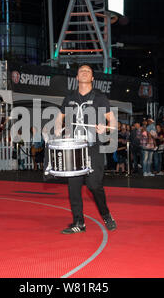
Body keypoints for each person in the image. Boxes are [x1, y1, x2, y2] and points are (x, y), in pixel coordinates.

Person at [55, 64, 117, 234]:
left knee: (94, 185)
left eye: (88, 71)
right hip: (74, 149)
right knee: (73, 187)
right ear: (76, 77)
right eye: (81, 71)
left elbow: (113, 122)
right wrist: (58, 130)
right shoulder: (69, 98)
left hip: (93, 148)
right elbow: (59, 119)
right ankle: (78, 222)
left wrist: (105, 128)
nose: (84, 72)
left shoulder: (100, 97)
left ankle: (106, 214)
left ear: (92, 78)